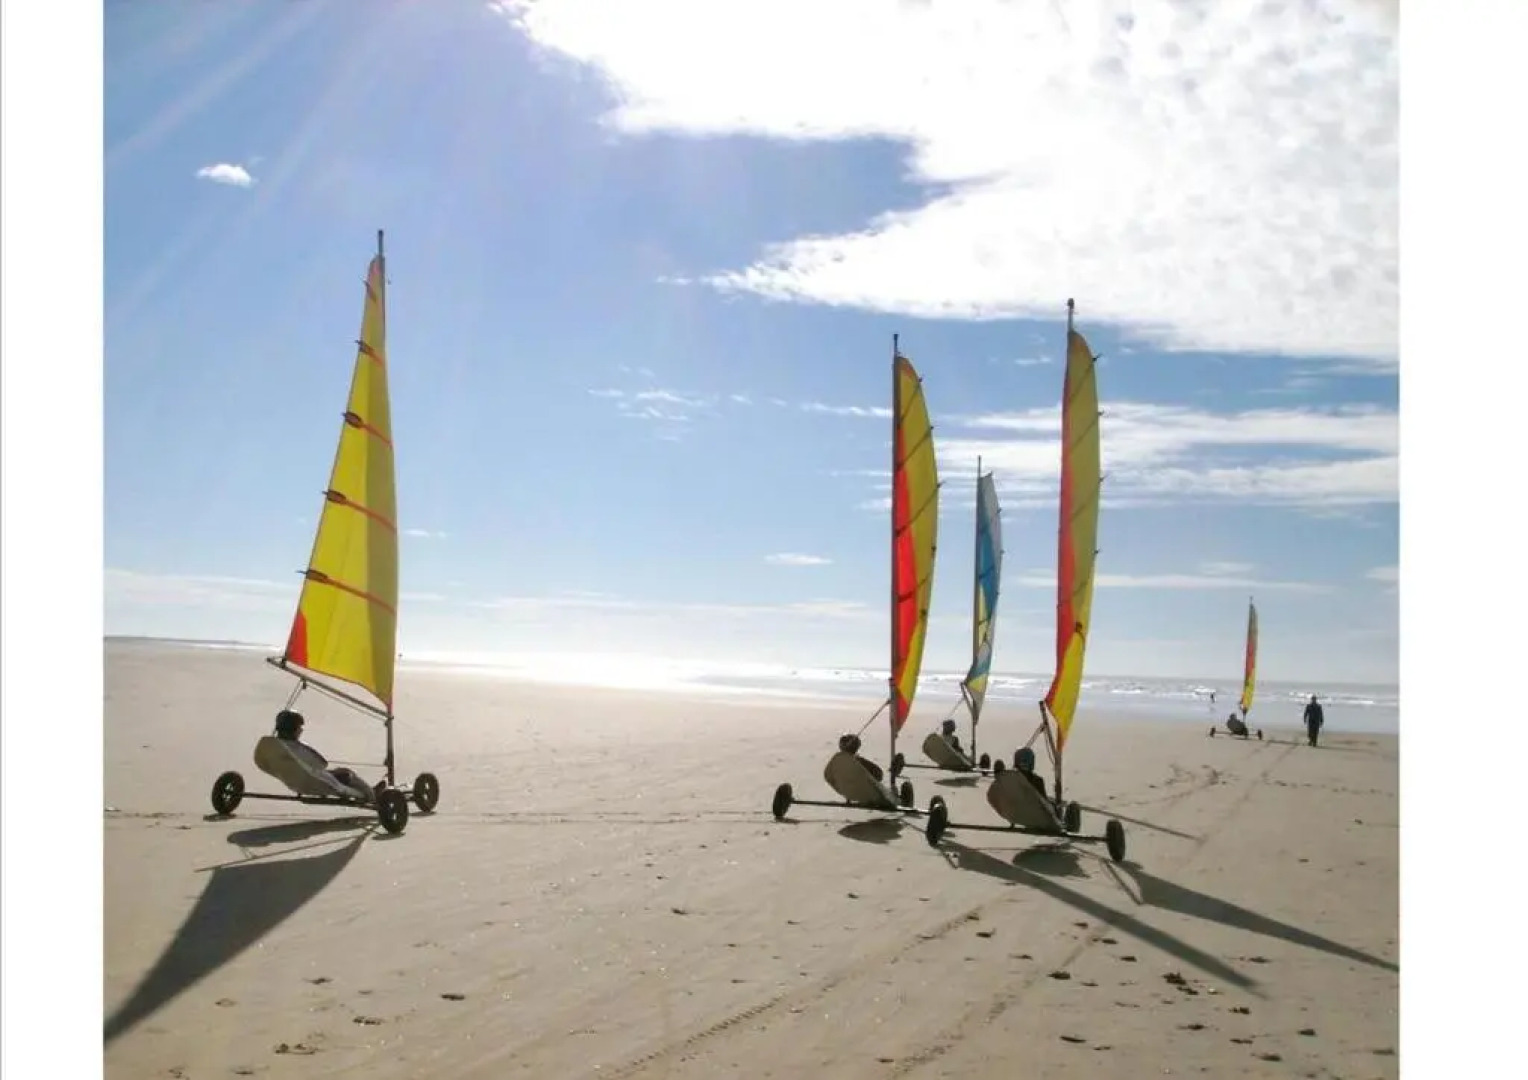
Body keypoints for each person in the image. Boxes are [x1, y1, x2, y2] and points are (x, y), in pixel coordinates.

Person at [274, 709, 375, 800]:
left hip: (296, 782)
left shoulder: (275, 745)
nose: (301, 730)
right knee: (347, 773)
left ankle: (370, 790)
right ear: (294, 729)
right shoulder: (298, 748)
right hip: (313, 783)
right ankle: (373, 795)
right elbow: (322, 764)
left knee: (338, 773)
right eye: (299, 727)